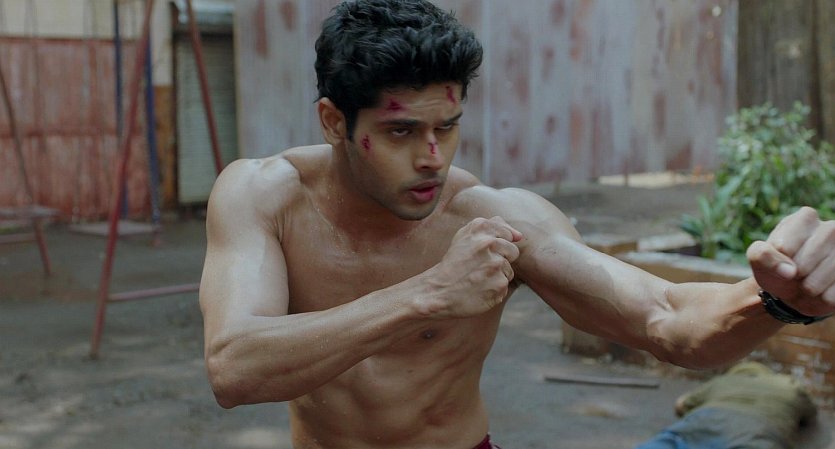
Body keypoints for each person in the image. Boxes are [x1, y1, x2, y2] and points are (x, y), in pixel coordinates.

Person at [198, 1, 835, 447]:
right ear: (335, 122)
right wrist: (428, 294)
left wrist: (775, 301)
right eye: (400, 132)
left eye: (447, 127)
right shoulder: (265, 196)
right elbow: (234, 368)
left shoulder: (492, 218)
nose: (432, 158)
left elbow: (665, 318)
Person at [635, 362, 817, 449]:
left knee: (672, 441)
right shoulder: (788, 384)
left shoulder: (724, 381)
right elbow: (810, 412)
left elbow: (682, 404)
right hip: (759, 428)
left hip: (707, 418)